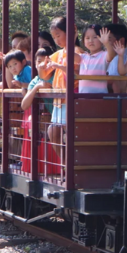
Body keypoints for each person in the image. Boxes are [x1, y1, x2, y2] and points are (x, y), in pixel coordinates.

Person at [19, 48, 61, 175]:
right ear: (35, 64)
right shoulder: (35, 81)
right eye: (39, 61)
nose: (42, 64)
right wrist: (37, 87)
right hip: (55, 119)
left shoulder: (58, 76)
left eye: (46, 61)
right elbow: (24, 105)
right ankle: (65, 165)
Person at [46, 16, 78, 157]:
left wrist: (59, 66)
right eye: (54, 37)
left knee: (70, 134)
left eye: (59, 35)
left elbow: (77, 73)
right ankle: (64, 164)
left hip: (70, 98)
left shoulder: (77, 52)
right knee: (53, 132)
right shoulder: (57, 54)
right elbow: (44, 74)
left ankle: (71, 165)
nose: (57, 40)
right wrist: (40, 66)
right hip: (58, 101)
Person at [76, 24, 111, 94]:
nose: (91, 41)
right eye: (87, 38)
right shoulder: (83, 57)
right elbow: (70, 55)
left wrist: (106, 43)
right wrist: (73, 37)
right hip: (83, 98)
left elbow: (112, 54)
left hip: (100, 97)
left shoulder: (104, 55)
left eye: (95, 37)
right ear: (83, 41)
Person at [100, 24, 127, 93]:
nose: (103, 42)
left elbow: (113, 81)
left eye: (107, 38)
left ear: (121, 41)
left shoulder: (118, 58)